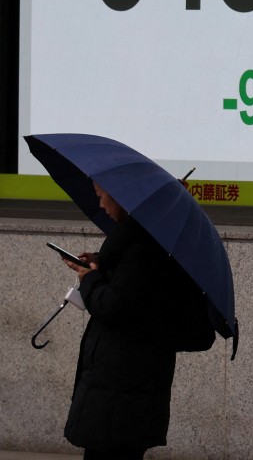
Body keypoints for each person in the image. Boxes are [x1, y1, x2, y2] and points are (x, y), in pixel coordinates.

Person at [61, 182, 200, 460]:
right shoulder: (147, 240)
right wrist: (101, 262)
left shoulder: (142, 245)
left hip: (123, 384)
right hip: (128, 382)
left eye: (102, 196)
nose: (100, 205)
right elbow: (131, 284)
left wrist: (89, 279)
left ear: (122, 197)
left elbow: (114, 305)